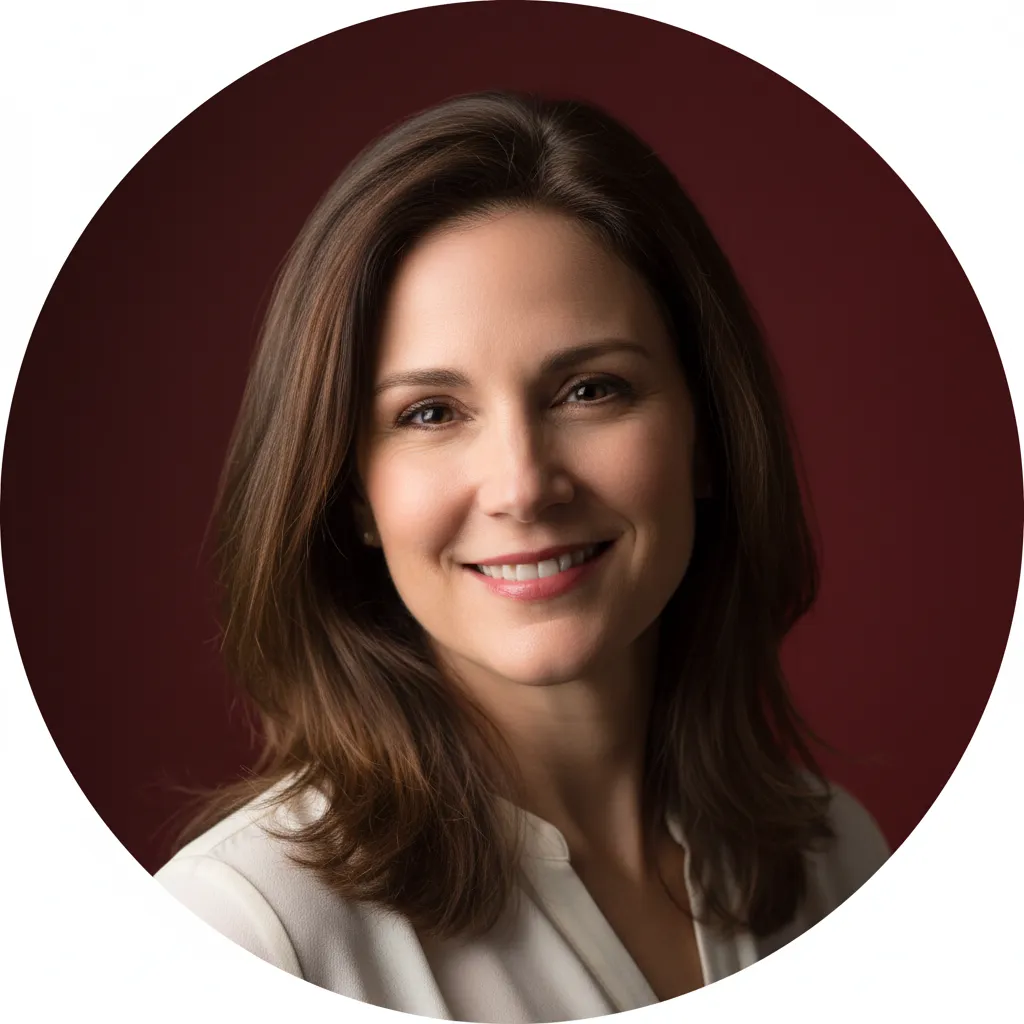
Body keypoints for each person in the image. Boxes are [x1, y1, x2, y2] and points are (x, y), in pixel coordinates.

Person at [155, 90, 889, 1022]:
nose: (522, 485)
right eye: (430, 413)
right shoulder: (251, 935)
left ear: (704, 436)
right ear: (352, 494)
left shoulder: (841, 862)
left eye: (590, 389)